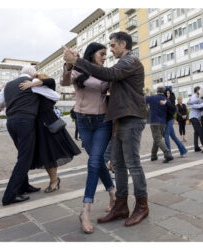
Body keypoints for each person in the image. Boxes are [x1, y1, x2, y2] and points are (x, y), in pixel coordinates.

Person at [63, 31, 149, 227]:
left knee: (133, 163)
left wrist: (77, 60)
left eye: (113, 45)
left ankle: (142, 206)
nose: (110, 49)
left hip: (131, 117)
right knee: (118, 164)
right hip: (118, 118)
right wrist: (72, 64)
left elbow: (109, 74)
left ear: (124, 44)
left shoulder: (130, 61)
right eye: (109, 46)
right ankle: (120, 205)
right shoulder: (121, 63)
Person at [61, 42, 116, 233]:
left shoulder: (105, 72)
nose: (104, 57)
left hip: (102, 122)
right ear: (92, 54)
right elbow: (64, 82)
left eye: (106, 54)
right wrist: (69, 64)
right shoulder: (78, 70)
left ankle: (85, 209)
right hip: (83, 123)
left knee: (94, 163)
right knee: (97, 162)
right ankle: (113, 193)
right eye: (102, 53)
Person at [0, 66, 60, 206]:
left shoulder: (8, 85)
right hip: (25, 122)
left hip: (11, 122)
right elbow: (56, 96)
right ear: (33, 74)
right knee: (25, 158)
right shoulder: (31, 83)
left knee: (23, 155)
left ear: (19, 73)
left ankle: (24, 186)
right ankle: (10, 195)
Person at [18, 74, 81, 193]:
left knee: (50, 154)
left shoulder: (48, 90)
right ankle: (54, 180)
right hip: (39, 125)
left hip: (48, 125)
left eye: (37, 80)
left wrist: (32, 82)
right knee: (45, 155)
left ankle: (54, 181)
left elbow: (51, 80)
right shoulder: (35, 92)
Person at [146, 87, 174, 163]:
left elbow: (143, 100)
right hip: (163, 123)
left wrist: (147, 95)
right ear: (163, 91)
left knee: (157, 139)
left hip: (154, 121)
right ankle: (154, 155)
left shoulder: (152, 98)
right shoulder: (166, 100)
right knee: (157, 139)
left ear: (157, 91)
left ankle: (167, 153)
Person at [163, 88, 187, 158]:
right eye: (166, 93)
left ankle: (168, 154)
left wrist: (166, 103)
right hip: (166, 120)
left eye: (169, 93)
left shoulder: (171, 101)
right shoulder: (164, 100)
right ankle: (183, 150)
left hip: (170, 119)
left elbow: (173, 109)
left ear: (170, 94)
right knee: (173, 137)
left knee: (166, 136)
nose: (167, 94)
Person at [187, 86, 203, 152]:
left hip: (195, 117)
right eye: (200, 90)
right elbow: (192, 105)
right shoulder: (194, 96)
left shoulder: (199, 97)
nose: (201, 91)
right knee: (200, 131)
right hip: (193, 117)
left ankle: (196, 147)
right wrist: (202, 105)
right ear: (197, 91)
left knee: (196, 132)